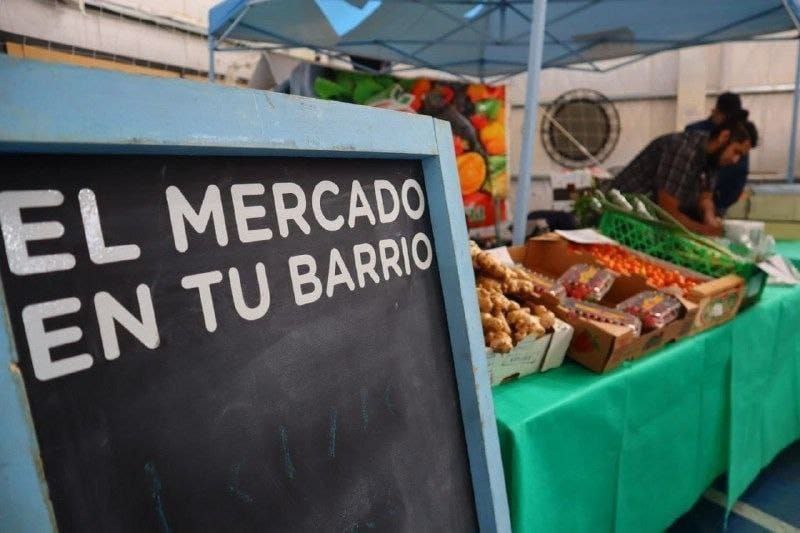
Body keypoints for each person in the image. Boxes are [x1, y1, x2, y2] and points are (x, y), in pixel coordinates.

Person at [603, 111, 754, 236]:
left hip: (645, 221)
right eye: (736, 152)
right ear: (724, 137)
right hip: (619, 216)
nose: (736, 160)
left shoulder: (712, 159)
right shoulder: (682, 151)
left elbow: (706, 196)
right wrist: (705, 230)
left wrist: (710, 218)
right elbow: (668, 212)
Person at [685, 92, 757, 214]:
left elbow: (739, 173)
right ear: (715, 112)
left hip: (719, 203)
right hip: (691, 203)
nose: (735, 159)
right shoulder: (694, 134)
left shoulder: (738, 136)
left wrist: (719, 204)